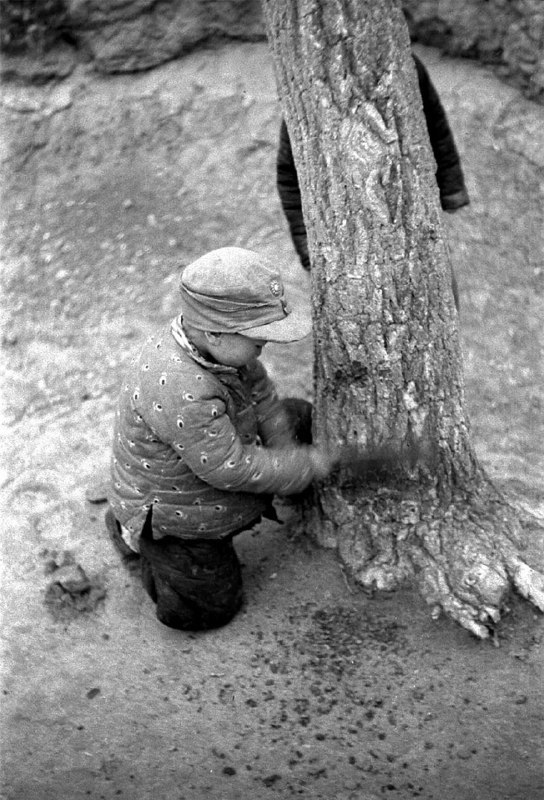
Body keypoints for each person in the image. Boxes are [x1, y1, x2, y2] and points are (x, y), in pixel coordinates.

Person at [105, 247, 335, 632]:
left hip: (214, 451)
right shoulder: (181, 388)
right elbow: (230, 469)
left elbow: (260, 394)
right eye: (258, 337)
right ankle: (139, 537)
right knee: (208, 609)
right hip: (176, 509)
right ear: (215, 333)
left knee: (295, 415)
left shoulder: (220, 349)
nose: (265, 345)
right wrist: (302, 467)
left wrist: (284, 448)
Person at [276, 53, 469, 308]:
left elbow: (436, 127)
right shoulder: (309, 86)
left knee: (438, 299)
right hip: (347, 238)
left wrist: (451, 191)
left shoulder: (399, 62)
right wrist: (308, 250)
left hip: (412, 219)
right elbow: (290, 177)